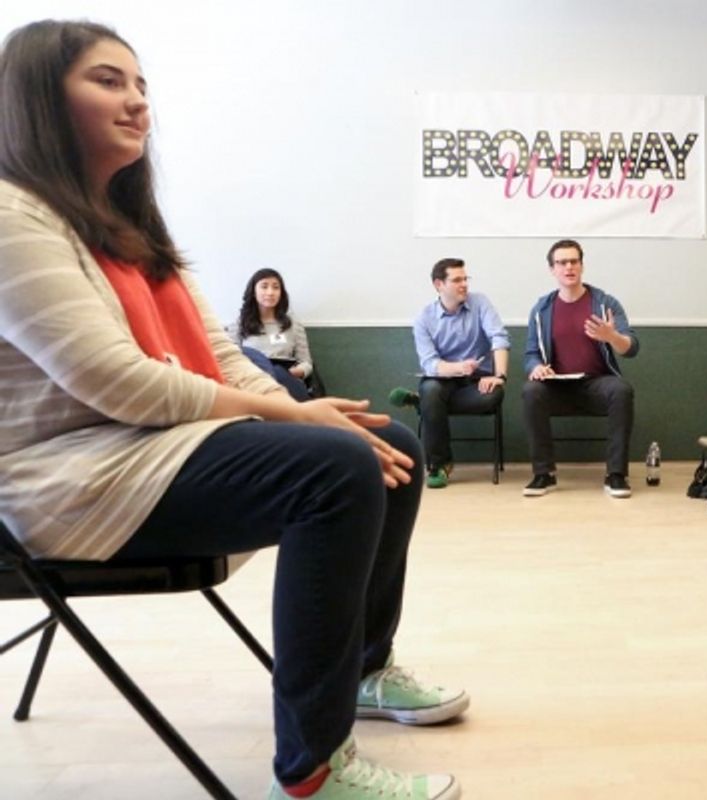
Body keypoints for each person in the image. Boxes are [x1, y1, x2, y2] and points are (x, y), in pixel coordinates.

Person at [0, 21, 467, 800]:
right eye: (108, 82)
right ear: (39, 99)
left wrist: (306, 409)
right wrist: (299, 422)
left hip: (147, 450)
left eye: (142, 85)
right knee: (337, 471)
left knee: (392, 446)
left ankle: (363, 674)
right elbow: (117, 383)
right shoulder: (14, 218)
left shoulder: (121, 222)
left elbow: (217, 354)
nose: (138, 103)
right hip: (69, 481)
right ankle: (316, 766)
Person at [522, 239, 639, 497]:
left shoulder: (605, 303)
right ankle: (544, 475)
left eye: (574, 261)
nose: (569, 267)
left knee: (621, 390)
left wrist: (612, 337)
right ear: (552, 269)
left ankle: (616, 475)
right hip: (557, 386)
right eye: (562, 262)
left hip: (597, 383)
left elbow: (631, 347)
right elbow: (530, 354)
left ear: (582, 266)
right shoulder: (542, 308)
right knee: (531, 391)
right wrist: (537, 366)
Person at [413, 257, 510, 488]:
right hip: (442, 379)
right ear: (439, 285)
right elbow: (430, 363)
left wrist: (500, 376)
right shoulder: (424, 319)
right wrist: (459, 367)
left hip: (478, 381)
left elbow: (499, 337)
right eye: (457, 280)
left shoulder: (480, 303)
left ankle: (422, 403)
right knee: (431, 388)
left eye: (466, 279)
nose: (464, 284)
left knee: (492, 395)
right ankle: (440, 465)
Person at [227, 267, 313, 402]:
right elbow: (230, 361)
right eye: (264, 287)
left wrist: (296, 372)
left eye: (276, 287)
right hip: (253, 382)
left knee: (279, 372)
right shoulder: (238, 324)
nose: (270, 292)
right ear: (254, 291)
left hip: (287, 381)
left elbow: (306, 363)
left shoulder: (293, 324)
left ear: (281, 293)